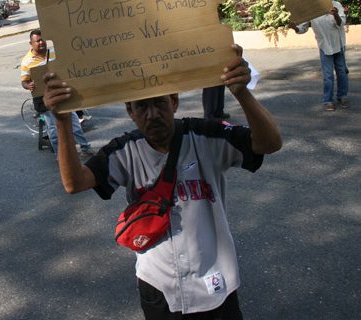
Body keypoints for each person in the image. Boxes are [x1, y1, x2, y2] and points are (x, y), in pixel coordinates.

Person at [42, 45, 282, 319]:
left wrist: (242, 93)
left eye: (159, 103)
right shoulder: (125, 150)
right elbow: (74, 183)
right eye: (142, 106)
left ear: (174, 102)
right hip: (159, 286)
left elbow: (270, 143)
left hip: (215, 283)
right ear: (130, 111)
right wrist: (61, 121)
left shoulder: (206, 136)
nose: (152, 114)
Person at [20, 29, 93, 158]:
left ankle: (85, 147)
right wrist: (28, 85)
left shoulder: (54, 52)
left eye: (43, 40)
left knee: (75, 124)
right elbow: (24, 82)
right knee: (53, 130)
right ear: (31, 43)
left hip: (62, 94)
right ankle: (61, 156)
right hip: (45, 100)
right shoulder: (26, 62)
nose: (41, 43)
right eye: (38, 41)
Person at [289, 0, 349, 111]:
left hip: (338, 44)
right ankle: (328, 100)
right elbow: (303, 27)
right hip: (324, 46)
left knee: (342, 72)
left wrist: (335, 14)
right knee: (328, 76)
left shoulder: (336, 5)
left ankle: (342, 96)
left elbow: (341, 24)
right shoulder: (311, 9)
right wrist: (295, 28)